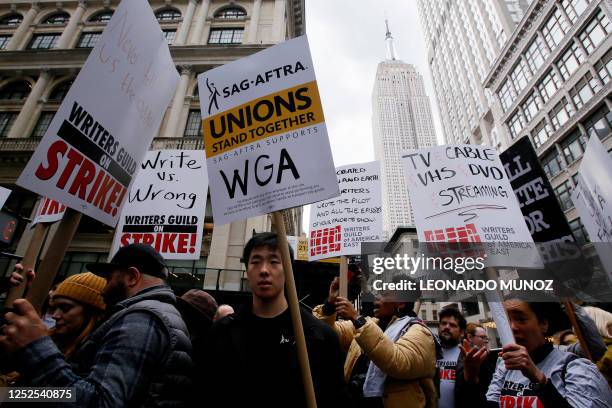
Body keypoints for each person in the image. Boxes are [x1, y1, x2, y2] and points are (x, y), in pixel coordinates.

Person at [0, 243, 193, 407]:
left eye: (109, 278)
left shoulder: (141, 319)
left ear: (132, 277)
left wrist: (38, 350)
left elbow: (101, 402)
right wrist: (10, 395)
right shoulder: (147, 315)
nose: (104, 288)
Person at [203, 232, 348, 407]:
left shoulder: (318, 336)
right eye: (255, 262)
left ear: (288, 269)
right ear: (247, 269)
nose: (264, 270)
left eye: (274, 261)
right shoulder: (221, 333)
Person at [313, 274, 439, 408]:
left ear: (401, 302)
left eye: (384, 294)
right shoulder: (370, 324)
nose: (376, 298)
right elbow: (327, 334)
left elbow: (399, 362)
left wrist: (357, 319)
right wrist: (330, 305)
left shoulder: (420, 332)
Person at [484, 299, 612, 407]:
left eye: (521, 319)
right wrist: (470, 379)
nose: (512, 327)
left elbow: (595, 348)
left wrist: (539, 380)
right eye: (505, 321)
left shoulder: (573, 366)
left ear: (543, 324)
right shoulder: (504, 364)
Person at [48, 272, 106, 358]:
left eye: (65, 308)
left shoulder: (100, 355)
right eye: (54, 308)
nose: (55, 315)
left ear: (90, 312)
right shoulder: (47, 339)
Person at [437, 307, 466, 408]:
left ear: (462, 332)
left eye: (452, 325)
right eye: (444, 323)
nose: (447, 327)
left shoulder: (467, 357)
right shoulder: (428, 352)